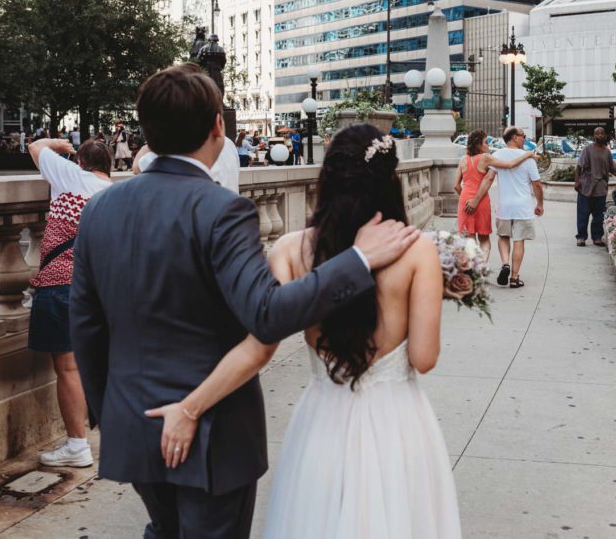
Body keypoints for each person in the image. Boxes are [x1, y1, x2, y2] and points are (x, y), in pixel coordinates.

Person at [69, 66, 419, 538]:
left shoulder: (99, 208)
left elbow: (86, 325)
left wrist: (109, 411)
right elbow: (267, 313)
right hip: (214, 432)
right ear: (219, 125)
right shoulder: (221, 208)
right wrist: (356, 260)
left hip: (133, 420)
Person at [28, 137, 113, 468]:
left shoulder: (72, 177)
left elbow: (36, 148)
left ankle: (77, 445)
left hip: (62, 283)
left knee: (67, 366)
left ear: (81, 164)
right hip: (99, 290)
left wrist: (58, 144)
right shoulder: (116, 193)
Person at [469, 126, 543, 289]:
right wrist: (540, 204)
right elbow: (537, 184)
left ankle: (505, 264)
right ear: (515, 138)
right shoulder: (528, 158)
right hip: (522, 207)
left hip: (504, 206)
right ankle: (515, 278)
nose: (525, 139)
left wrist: (475, 199)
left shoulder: (497, 155)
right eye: (523, 136)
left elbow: (488, 178)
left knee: (503, 236)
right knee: (519, 240)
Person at [455, 129, 533, 260]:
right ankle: (481, 267)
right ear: (478, 144)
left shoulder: (463, 160)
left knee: (469, 240)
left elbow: (456, 186)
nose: (488, 145)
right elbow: (509, 164)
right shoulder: (485, 158)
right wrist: (527, 155)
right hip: (481, 201)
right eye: (486, 142)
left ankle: (472, 269)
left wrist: (465, 197)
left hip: (465, 201)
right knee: (484, 240)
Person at [575, 127, 616, 247]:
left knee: (599, 216)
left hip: (600, 187)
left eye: (601, 133)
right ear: (594, 135)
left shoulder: (607, 152)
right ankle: (581, 237)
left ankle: (597, 237)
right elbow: (579, 166)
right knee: (583, 214)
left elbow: (612, 169)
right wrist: (577, 181)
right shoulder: (587, 150)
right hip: (586, 186)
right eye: (597, 133)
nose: (599, 135)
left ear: (605, 135)